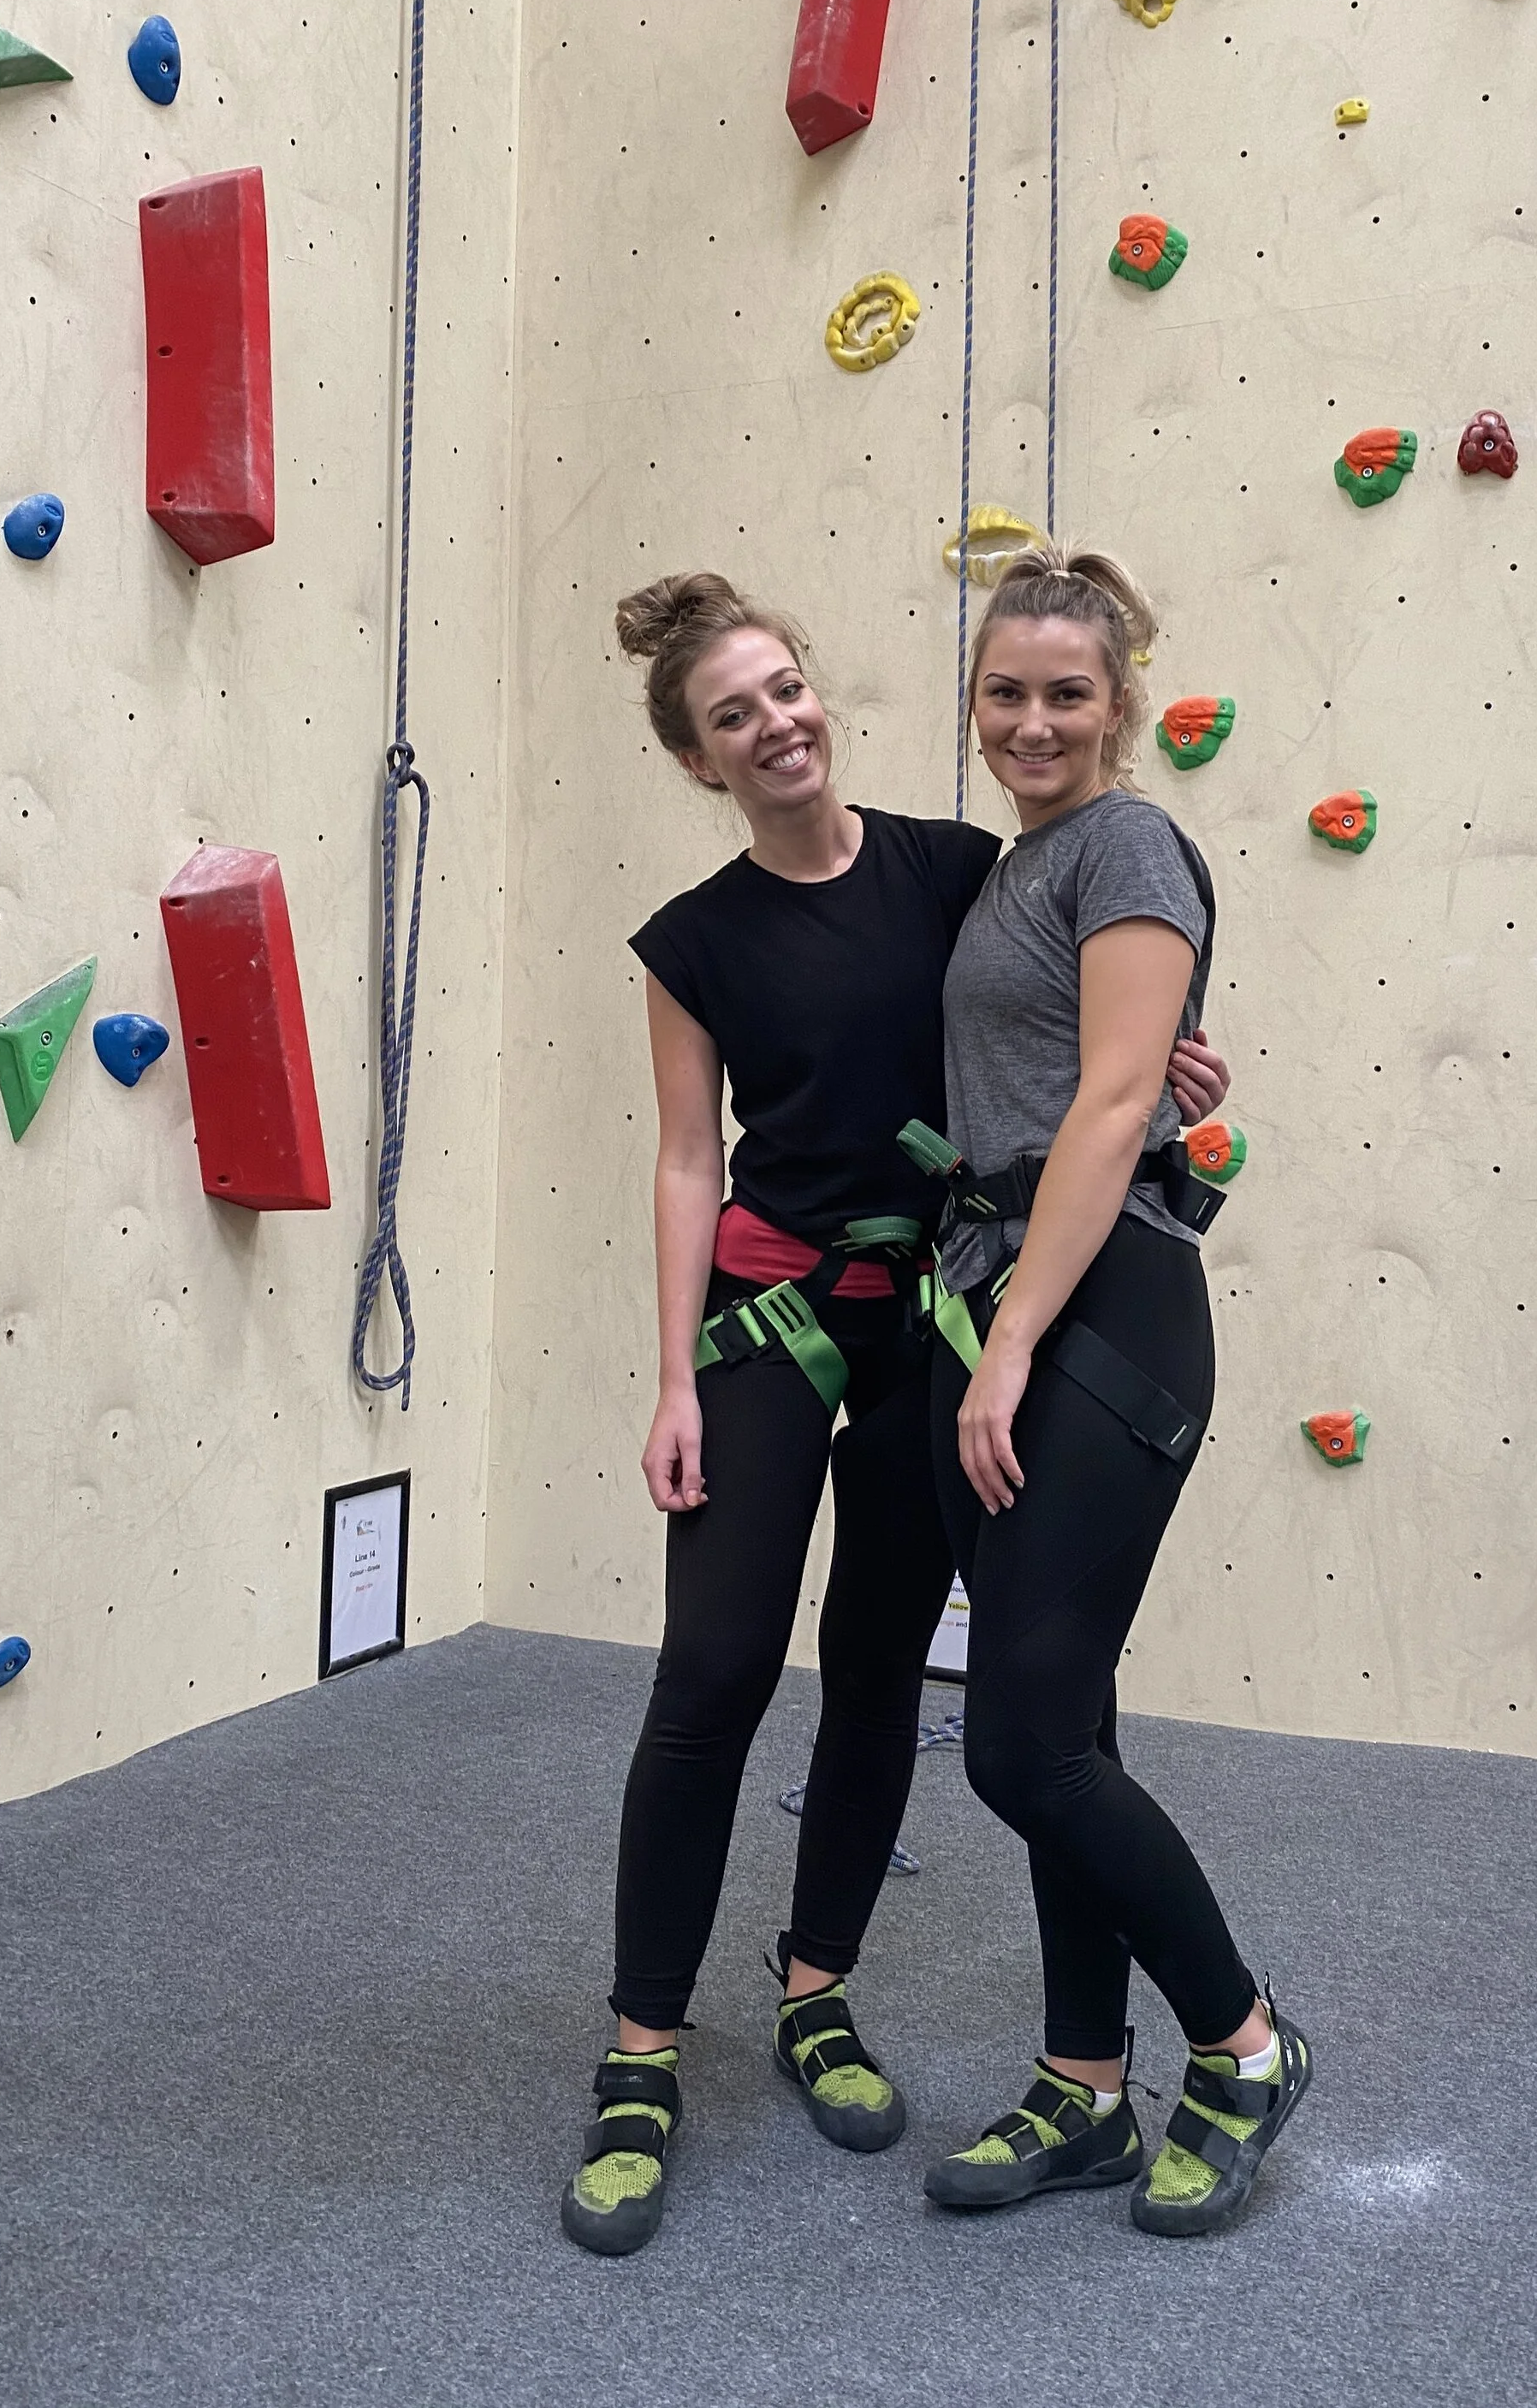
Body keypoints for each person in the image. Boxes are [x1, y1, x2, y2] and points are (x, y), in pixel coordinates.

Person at [561, 571, 1227, 2257]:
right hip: (774, 1318)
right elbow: (687, 1159)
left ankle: (816, 1991)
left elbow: (1057, 1032)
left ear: (819, 691)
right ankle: (640, 2051)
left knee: (875, 1669)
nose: (774, 725)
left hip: (938, 1313)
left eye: (784, 689)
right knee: (713, 1670)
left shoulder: (954, 866)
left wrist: (1176, 1073)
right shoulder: (692, 942)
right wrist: (671, 1374)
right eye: (732, 716)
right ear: (700, 757)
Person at [919, 543, 1313, 2240]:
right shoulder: (1020, 868)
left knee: (1018, 1743)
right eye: (1004, 691)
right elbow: (1094, 1070)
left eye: (1066, 692)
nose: (1033, 720)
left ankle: (1243, 2042)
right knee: (1060, 1726)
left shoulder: (1127, 842)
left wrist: (1012, 1337)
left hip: (1095, 1315)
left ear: (1119, 701)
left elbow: (1107, 1105)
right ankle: (1083, 2084)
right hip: (992, 1293)